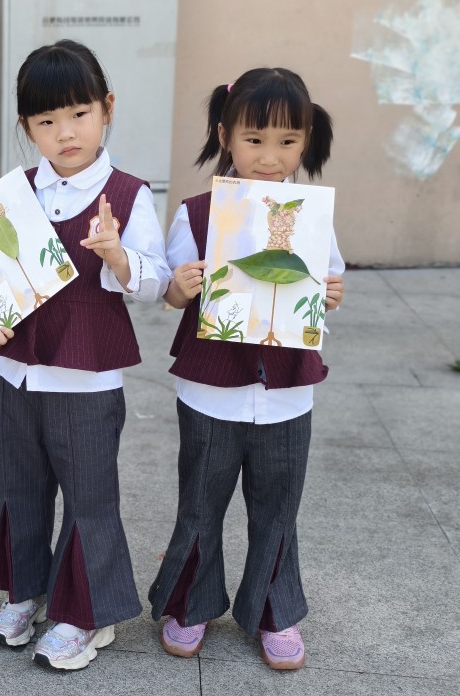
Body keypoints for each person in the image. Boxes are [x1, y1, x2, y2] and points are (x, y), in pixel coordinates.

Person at [0, 40, 171, 671]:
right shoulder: (15, 192)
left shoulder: (129, 194)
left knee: (89, 497)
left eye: (79, 114)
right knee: (20, 488)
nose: (65, 133)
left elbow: (156, 281)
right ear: (27, 126)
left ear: (107, 108)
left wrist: (116, 254)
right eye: (47, 121)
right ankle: (25, 591)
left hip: (86, 381)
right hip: (16, 375)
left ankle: (85, 613)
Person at [148, 67, 345, 671]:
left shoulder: (311, 215)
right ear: (225, 136)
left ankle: (274, 612)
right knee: (200, 503)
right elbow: (170, 293)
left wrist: (332, 293)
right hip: (211, 389)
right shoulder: (197, 214)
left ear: (306, 141)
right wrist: (181, 287)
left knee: (278, 509)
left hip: (287, 392)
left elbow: (328, 281)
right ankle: (192, 603)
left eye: (287, 141)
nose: (269, 156)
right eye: (254, 139)